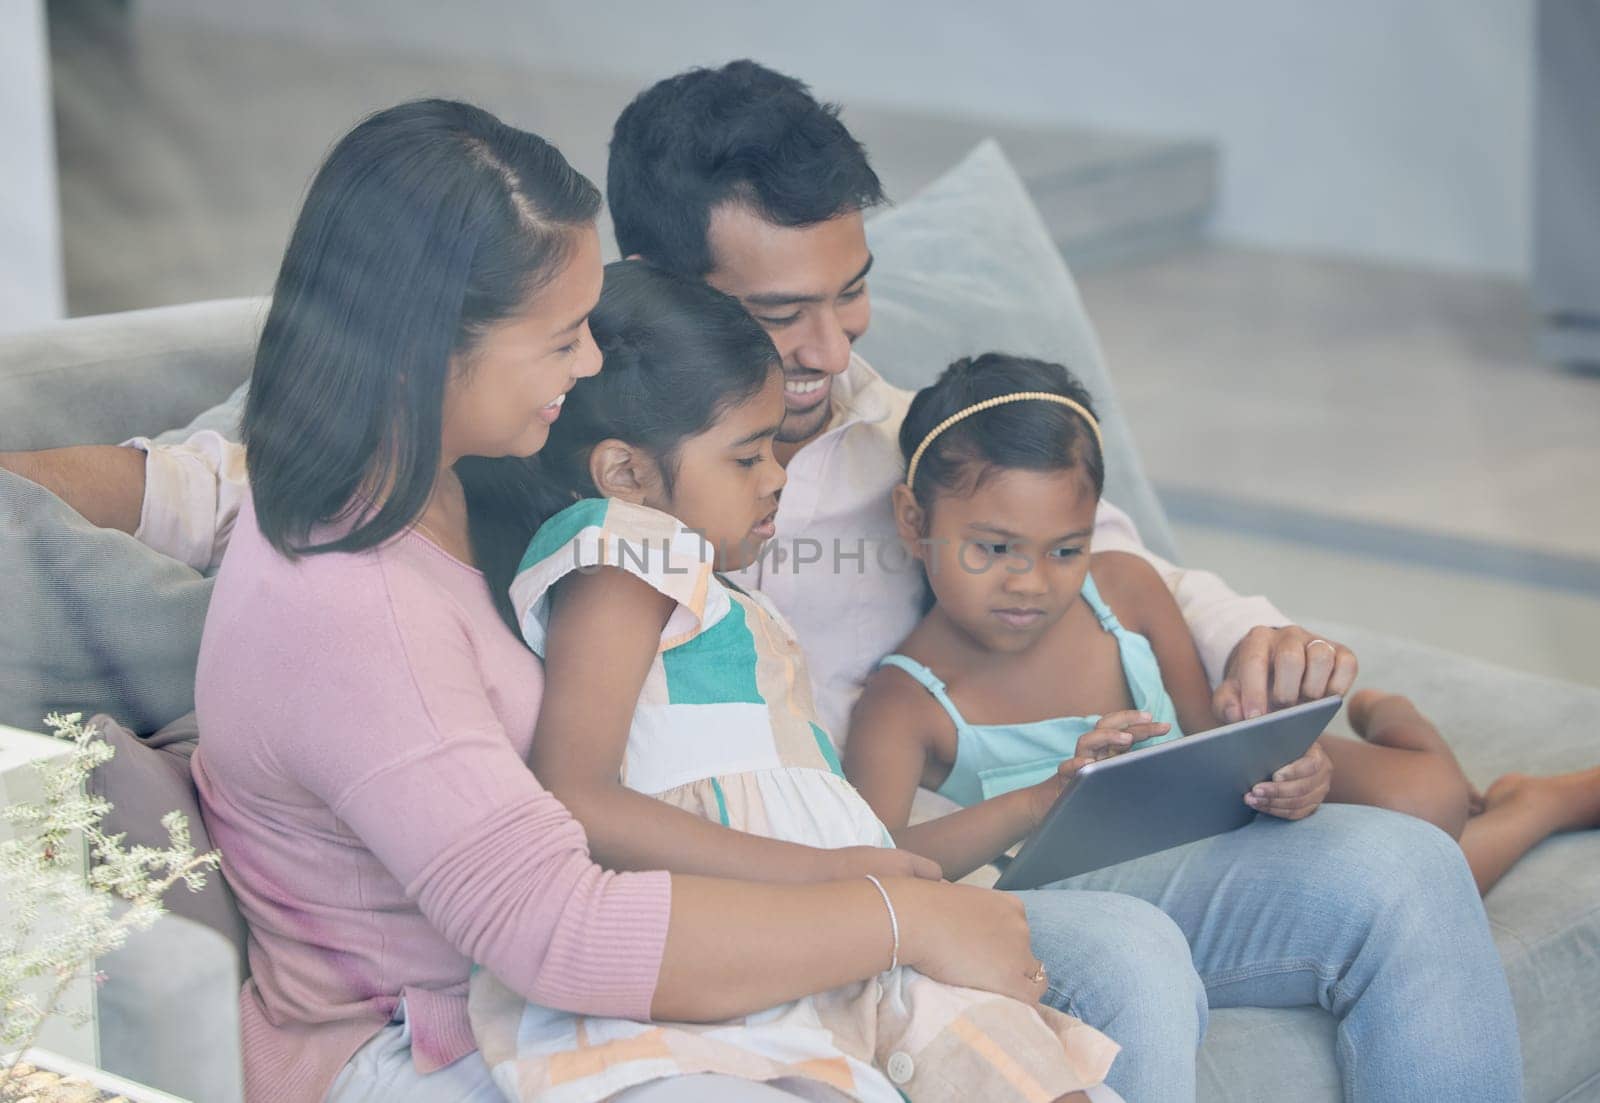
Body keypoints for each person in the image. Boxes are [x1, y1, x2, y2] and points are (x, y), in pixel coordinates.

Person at [1, 63, 1523, 1101]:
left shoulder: (860, 437)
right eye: (569, 337)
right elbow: (555, 895)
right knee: (1061, 968)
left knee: (1314, 895)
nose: (831, 353)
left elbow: (1115, 558)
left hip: (849, 860)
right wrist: (893, 905)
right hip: (609, 957)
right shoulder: (476, 510)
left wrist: (1256, 665)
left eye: (853, 294)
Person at [182, 98, 1083, 1103]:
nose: (590, 362)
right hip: (434, 1036)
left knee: (1094, 972)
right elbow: (557, 932)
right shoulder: (357, 613)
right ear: (434, 342)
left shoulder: (455, 473)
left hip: (588, 977)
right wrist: (894, 917)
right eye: (562, 336)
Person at [467, 259, 1119, 1103]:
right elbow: (577, 793)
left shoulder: (727, 603)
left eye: (775, 444)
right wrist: (835, 882)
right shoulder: (624, 550)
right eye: (746, 456)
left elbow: (854, 847)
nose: (777, 475)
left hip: (858, 941)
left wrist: (1029, 808)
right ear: (626, 474)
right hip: (749, 938)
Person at [844, 352, 1600, 896]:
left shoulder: (1125, 590)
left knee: (1427, 802)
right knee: (1420, 864)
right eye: (994, 547)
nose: (1031, 581)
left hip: (1229, 828)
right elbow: (873, 860)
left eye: (1065, 548)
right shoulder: (903, 701)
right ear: (915, 523)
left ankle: (1399, 722)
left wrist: (1298, 780)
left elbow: (1208, 735)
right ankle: (1533, 805)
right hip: (1159, 888)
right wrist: (1039, 800)